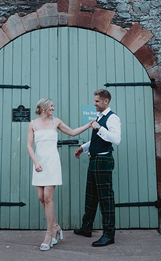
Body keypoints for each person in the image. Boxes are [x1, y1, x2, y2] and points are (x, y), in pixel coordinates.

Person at [27, 98, 93, 251]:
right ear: (43, 107)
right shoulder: (33, 124)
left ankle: (49, 234)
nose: (53, 109)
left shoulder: (55, 122)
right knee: (41, 197)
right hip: (39, 163)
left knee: (48, 197)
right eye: (51, 106)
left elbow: (72, 132)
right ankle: (56, 226)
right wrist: (35, 162)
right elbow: (29, 146)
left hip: (52, 163)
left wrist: (88, 125)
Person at [73, 89, 121, 247]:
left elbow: (115, 139)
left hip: (104, 161)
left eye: (97, 101)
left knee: (105, 198)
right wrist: (83, 147)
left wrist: (98, 128)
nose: (94, 103)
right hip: (95, 160)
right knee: (91, 196)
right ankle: (87, 227)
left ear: (106, 101)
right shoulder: (99, 117)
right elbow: (98, 140)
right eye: (94, 101)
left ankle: (109, 235)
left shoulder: (112, 117)